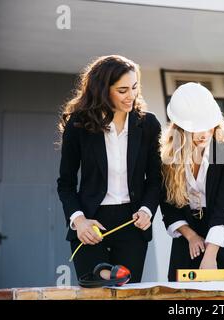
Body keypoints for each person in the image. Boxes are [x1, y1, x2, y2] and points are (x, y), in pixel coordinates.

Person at [57, 55, 161, 283]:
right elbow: (65, 183)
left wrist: (147, 210)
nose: (131, 95)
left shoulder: (148, 125)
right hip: (91, 222)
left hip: (132, 223)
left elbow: (155, 179)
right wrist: (79, 220)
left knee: (127, 292)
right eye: (122, 90)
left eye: (134, 87)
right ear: (103, 90)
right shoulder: (78, 125)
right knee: (95, 290)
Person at [160, 82, 224, 281]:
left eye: (207, 125)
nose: (204, 133)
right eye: (195, 128)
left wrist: (211, 255)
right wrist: (190, 236)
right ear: (180, 127)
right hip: (188, 232)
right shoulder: (166, 156)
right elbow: (168, 205)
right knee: (183, 292)